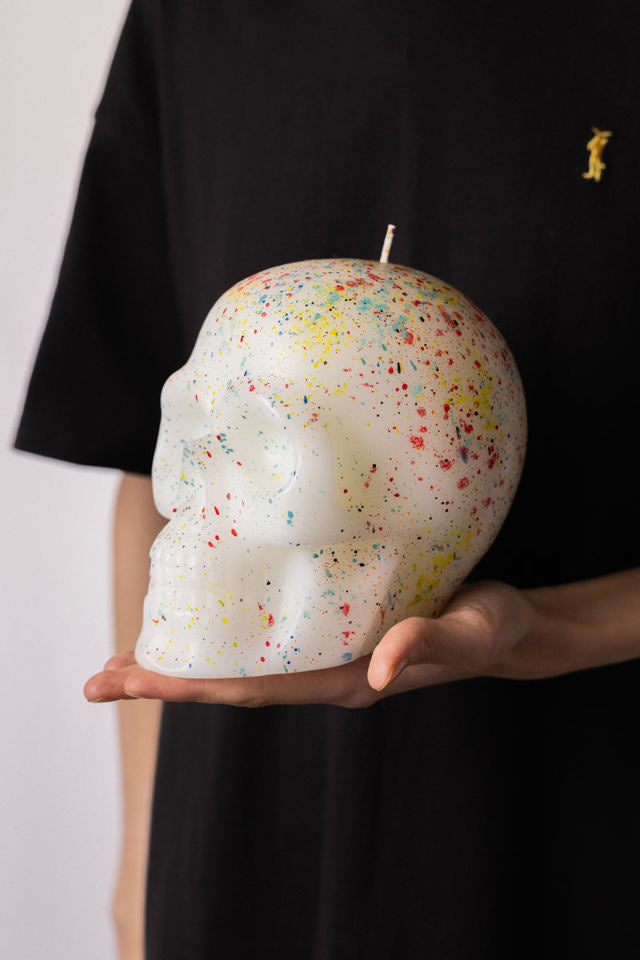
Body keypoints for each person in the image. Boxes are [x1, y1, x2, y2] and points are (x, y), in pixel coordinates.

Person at [16, 1, 640, 958]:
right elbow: (152, 473)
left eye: (265, 451)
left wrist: (541, 631)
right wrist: (140, 874)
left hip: (573, 839)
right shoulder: (193, 21)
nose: (201, 497)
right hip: (231, 856)